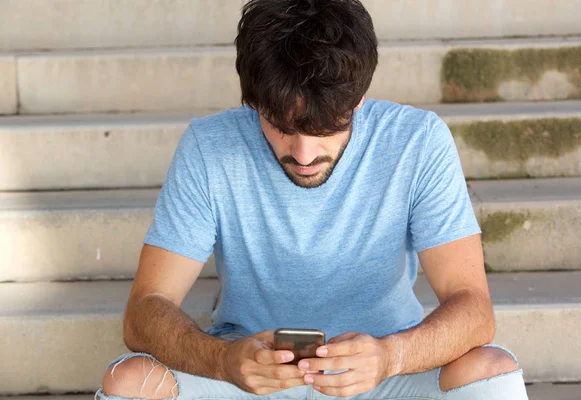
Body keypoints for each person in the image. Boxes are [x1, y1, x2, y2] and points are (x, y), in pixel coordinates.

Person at [97, 0, 528, 399]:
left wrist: (390, 356)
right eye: (280, 125)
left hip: (385, 373)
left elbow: (474, 310)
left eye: (324, 129)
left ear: (358, 98)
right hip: (249, 380)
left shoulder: (417, 140)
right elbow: (144, 312)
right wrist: (223, 360)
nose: (303, 155)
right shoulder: (209, 146)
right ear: (254, 102)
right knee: (131, 381)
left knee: (491, 367)